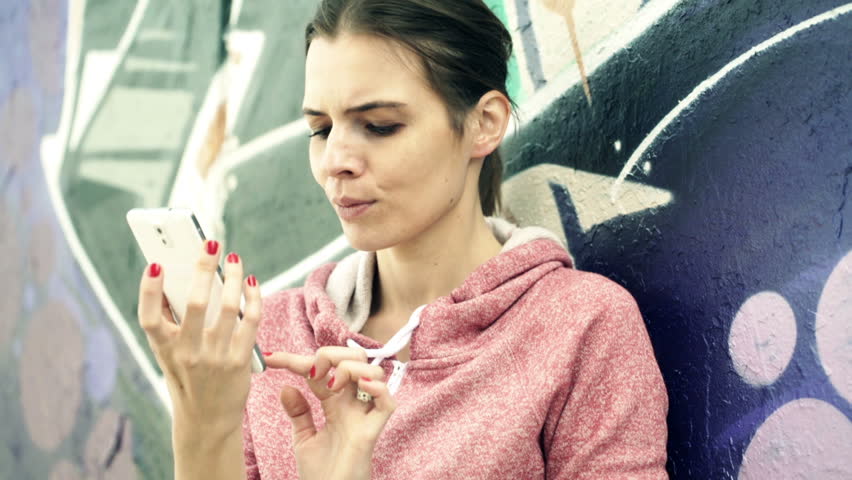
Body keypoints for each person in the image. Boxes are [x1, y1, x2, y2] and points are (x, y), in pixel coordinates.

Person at [136, 0, 669, 478]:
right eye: (320, 129)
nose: (335, 163)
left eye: (380, 125)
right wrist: (202, 425)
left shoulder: (581, 328)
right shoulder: (273, 341)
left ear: (484, 123)